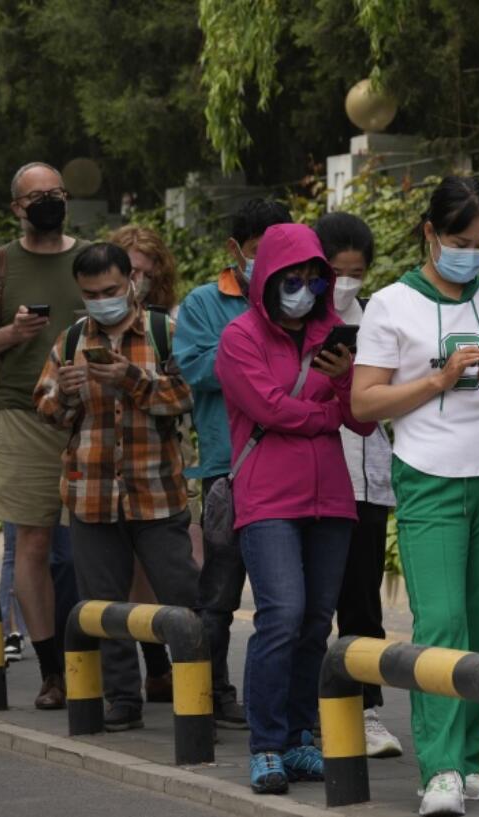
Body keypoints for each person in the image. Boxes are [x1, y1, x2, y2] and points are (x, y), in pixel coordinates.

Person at [351, 177, 479, 815]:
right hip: (428, 475)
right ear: (431, 234)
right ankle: (442, 770)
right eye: (461, 241)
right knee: (440, 624)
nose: (474, 255)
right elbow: (364, 402)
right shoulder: (390, 305)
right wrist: (439, 378)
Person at [216, 223, 375, 794]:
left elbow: (364, 417)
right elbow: (271, 409)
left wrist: (343, 383)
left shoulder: (333, 333)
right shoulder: (240, 337)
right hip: (266, 497)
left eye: (313, 280)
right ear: (269, 279)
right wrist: (328, 411)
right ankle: (265, 745)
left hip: (331, 497)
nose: (303, 289)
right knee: (281, 616)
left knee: (314, 622)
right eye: (293, 278)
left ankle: (300, 738)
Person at [34, 242, 198, 731]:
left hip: (158, 490)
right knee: (105, 606)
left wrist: (131, 379)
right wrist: (62, 393)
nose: (102, 300)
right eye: (90, 293)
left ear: (131, 280)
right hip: (91, 492)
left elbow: (189, 397)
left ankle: (208, 690)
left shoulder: (166, 332)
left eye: (110, 289)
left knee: (184, 598)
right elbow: (45, 408)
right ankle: (123, 699)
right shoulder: (69, 341)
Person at [0, 161, 89, 709]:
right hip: (21, 416)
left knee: (99, 543)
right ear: (17, 207)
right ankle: (53, 670)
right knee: (32, 543)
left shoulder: (93, 256)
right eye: (37, 196)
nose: (49, 202)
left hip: (90, 417)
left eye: (56, 193)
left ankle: (125, 662)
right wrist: (11, 332)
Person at [173, 198, 292, 729]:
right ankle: (213, 691)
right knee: (219, 590)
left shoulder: (301, 297)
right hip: (228, 467)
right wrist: (256, 350)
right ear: (235, 252)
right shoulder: (203, 303)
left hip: (288, 464)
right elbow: (195, 370)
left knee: (286, 596)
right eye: (255, 252)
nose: (267, 264)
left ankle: (287, 700)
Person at [314, 212, 401, 759]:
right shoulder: (293, 320)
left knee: (363, 604)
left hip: (368, 482)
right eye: (335, 272)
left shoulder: (378, 316)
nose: (346, 283)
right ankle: (312, 711)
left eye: (356, 272)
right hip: (314, 479)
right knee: (308, 607)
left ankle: (367, 712)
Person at [109, 224, 186, 701]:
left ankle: (192, 668)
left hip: (168, 453)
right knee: (127, 567)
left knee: (173, 567)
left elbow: (184, 392)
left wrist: (135, 379)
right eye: (127, 270)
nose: (135, 279)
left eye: (143, 270)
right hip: (111, 461)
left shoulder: (170, 323)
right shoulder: (90, 326)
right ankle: (152, 667)